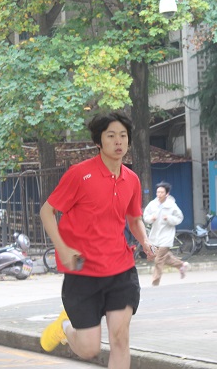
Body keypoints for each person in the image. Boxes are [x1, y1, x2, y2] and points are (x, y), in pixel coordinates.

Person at [39, 112, 154, 369]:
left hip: (120, 270)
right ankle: (64, 327)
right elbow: (47, 211)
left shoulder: (131, 180)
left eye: (123, 136)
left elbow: (134, 219)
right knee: (89, 349)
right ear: (98, 142)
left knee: (120, 338)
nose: (118, 141)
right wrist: (62, 248)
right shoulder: (79, 174)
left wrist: (145, 241)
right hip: (83, 273)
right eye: (111, 136)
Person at [143, 181, 190, 286]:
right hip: (155, 235)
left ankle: (155, 280)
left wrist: (169, 218)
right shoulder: (152, 204)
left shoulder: (171, 205)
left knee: (159, 259)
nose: (159, 194)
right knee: (163, 256)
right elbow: (145, 216)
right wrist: (151, 218)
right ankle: (181, 265)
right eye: (157, 192)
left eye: (161, 192)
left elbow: (179, 218)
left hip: (167, 236)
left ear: (167, 194)